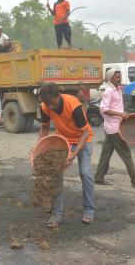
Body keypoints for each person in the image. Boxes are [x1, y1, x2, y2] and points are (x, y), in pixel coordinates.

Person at [38, 83, 95, 227]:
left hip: (83, 139)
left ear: (58, 96)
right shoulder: (45, 106)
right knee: (56, 173)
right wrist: (38, 148)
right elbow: (44, 129)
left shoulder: (73, 105)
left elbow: (85, 132)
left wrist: (73, 155)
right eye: (46, 104)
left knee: (85, 173)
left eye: (52, 103)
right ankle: (56, 215)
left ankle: (89, 211)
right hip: (63, 140)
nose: (50, 107)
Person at [94, 68, 135, 188]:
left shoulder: (117, 89)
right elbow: (104, 109)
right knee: (126, 154)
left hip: (112, 128)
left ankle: (98, 177)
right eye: (117, 77)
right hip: (114, 129)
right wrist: (120, 114)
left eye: (120, 76)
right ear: (111, 78)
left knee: (105, 154)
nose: (120, 79)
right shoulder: (109, 91)